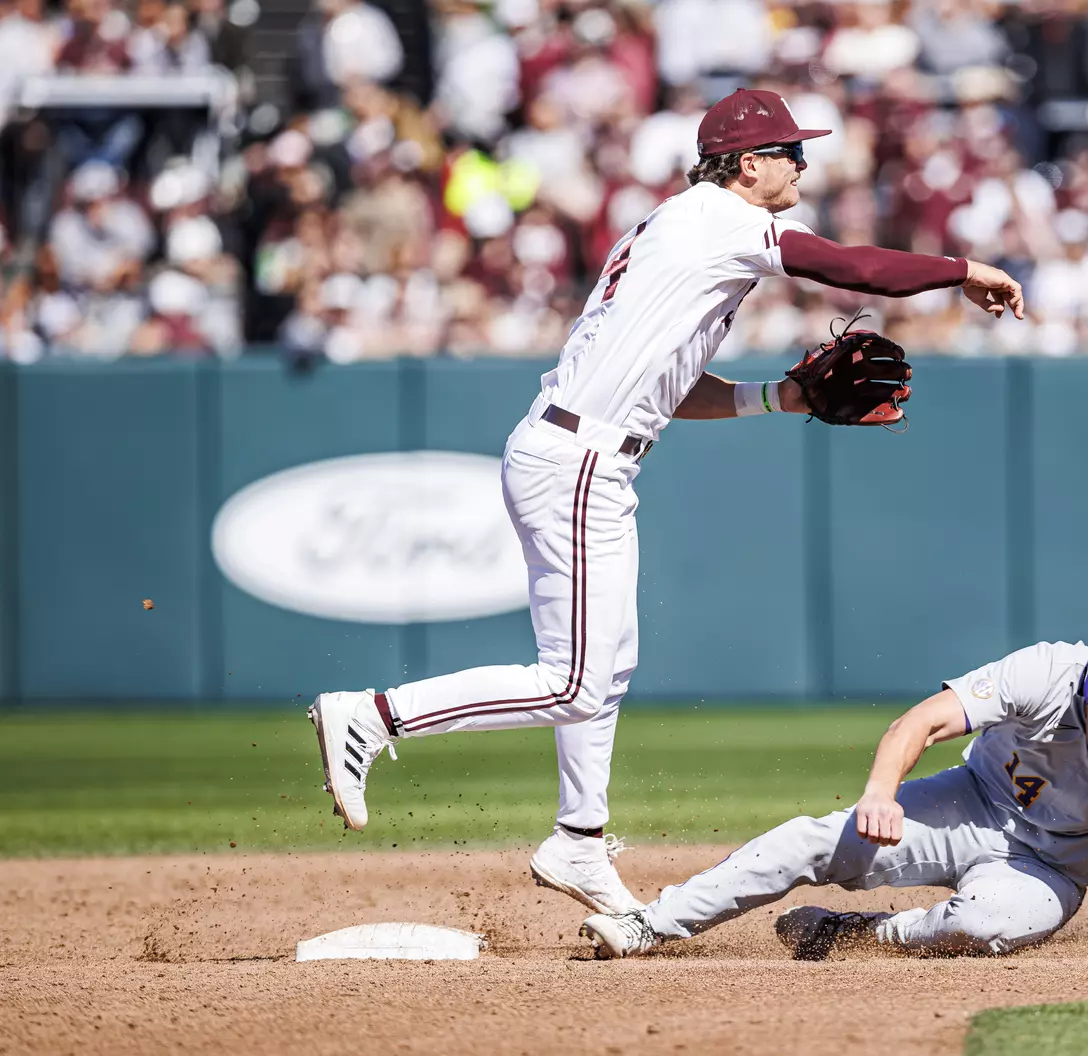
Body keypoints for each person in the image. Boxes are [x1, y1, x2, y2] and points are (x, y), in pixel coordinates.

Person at [308, 88, 1025, 916]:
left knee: (604, 669)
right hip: (577, 459)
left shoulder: (671, 229)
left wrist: (778, 399)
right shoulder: (718, 221)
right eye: (790, 151)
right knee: (572, 680)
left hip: (588, 455)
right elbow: (854, 269)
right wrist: (963, 269)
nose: (802, 163)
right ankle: (374, 715)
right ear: (746, 165)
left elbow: (671, 389)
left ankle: (577, 841)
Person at [578, 618, 1088, 960]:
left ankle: (859, 933)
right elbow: (923, 720)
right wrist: (880, 792)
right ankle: (650, 923)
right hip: (971, 803)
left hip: (1053, 868)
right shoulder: (1047, 671)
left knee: (979, 925)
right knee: (812, 840)